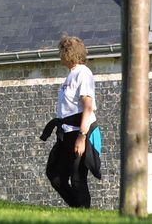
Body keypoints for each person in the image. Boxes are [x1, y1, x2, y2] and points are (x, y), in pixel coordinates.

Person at [44, 35, 98, 208]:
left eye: (61, 52)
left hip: (79, 131)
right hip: (66, 132)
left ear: (68, 53)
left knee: (77, 177)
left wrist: (82, 137)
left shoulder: (83, 73)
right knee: (55, 175)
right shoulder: (71, 75)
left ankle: (83, 213)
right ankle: (78, 208)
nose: (59, 55)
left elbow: (87, 107)